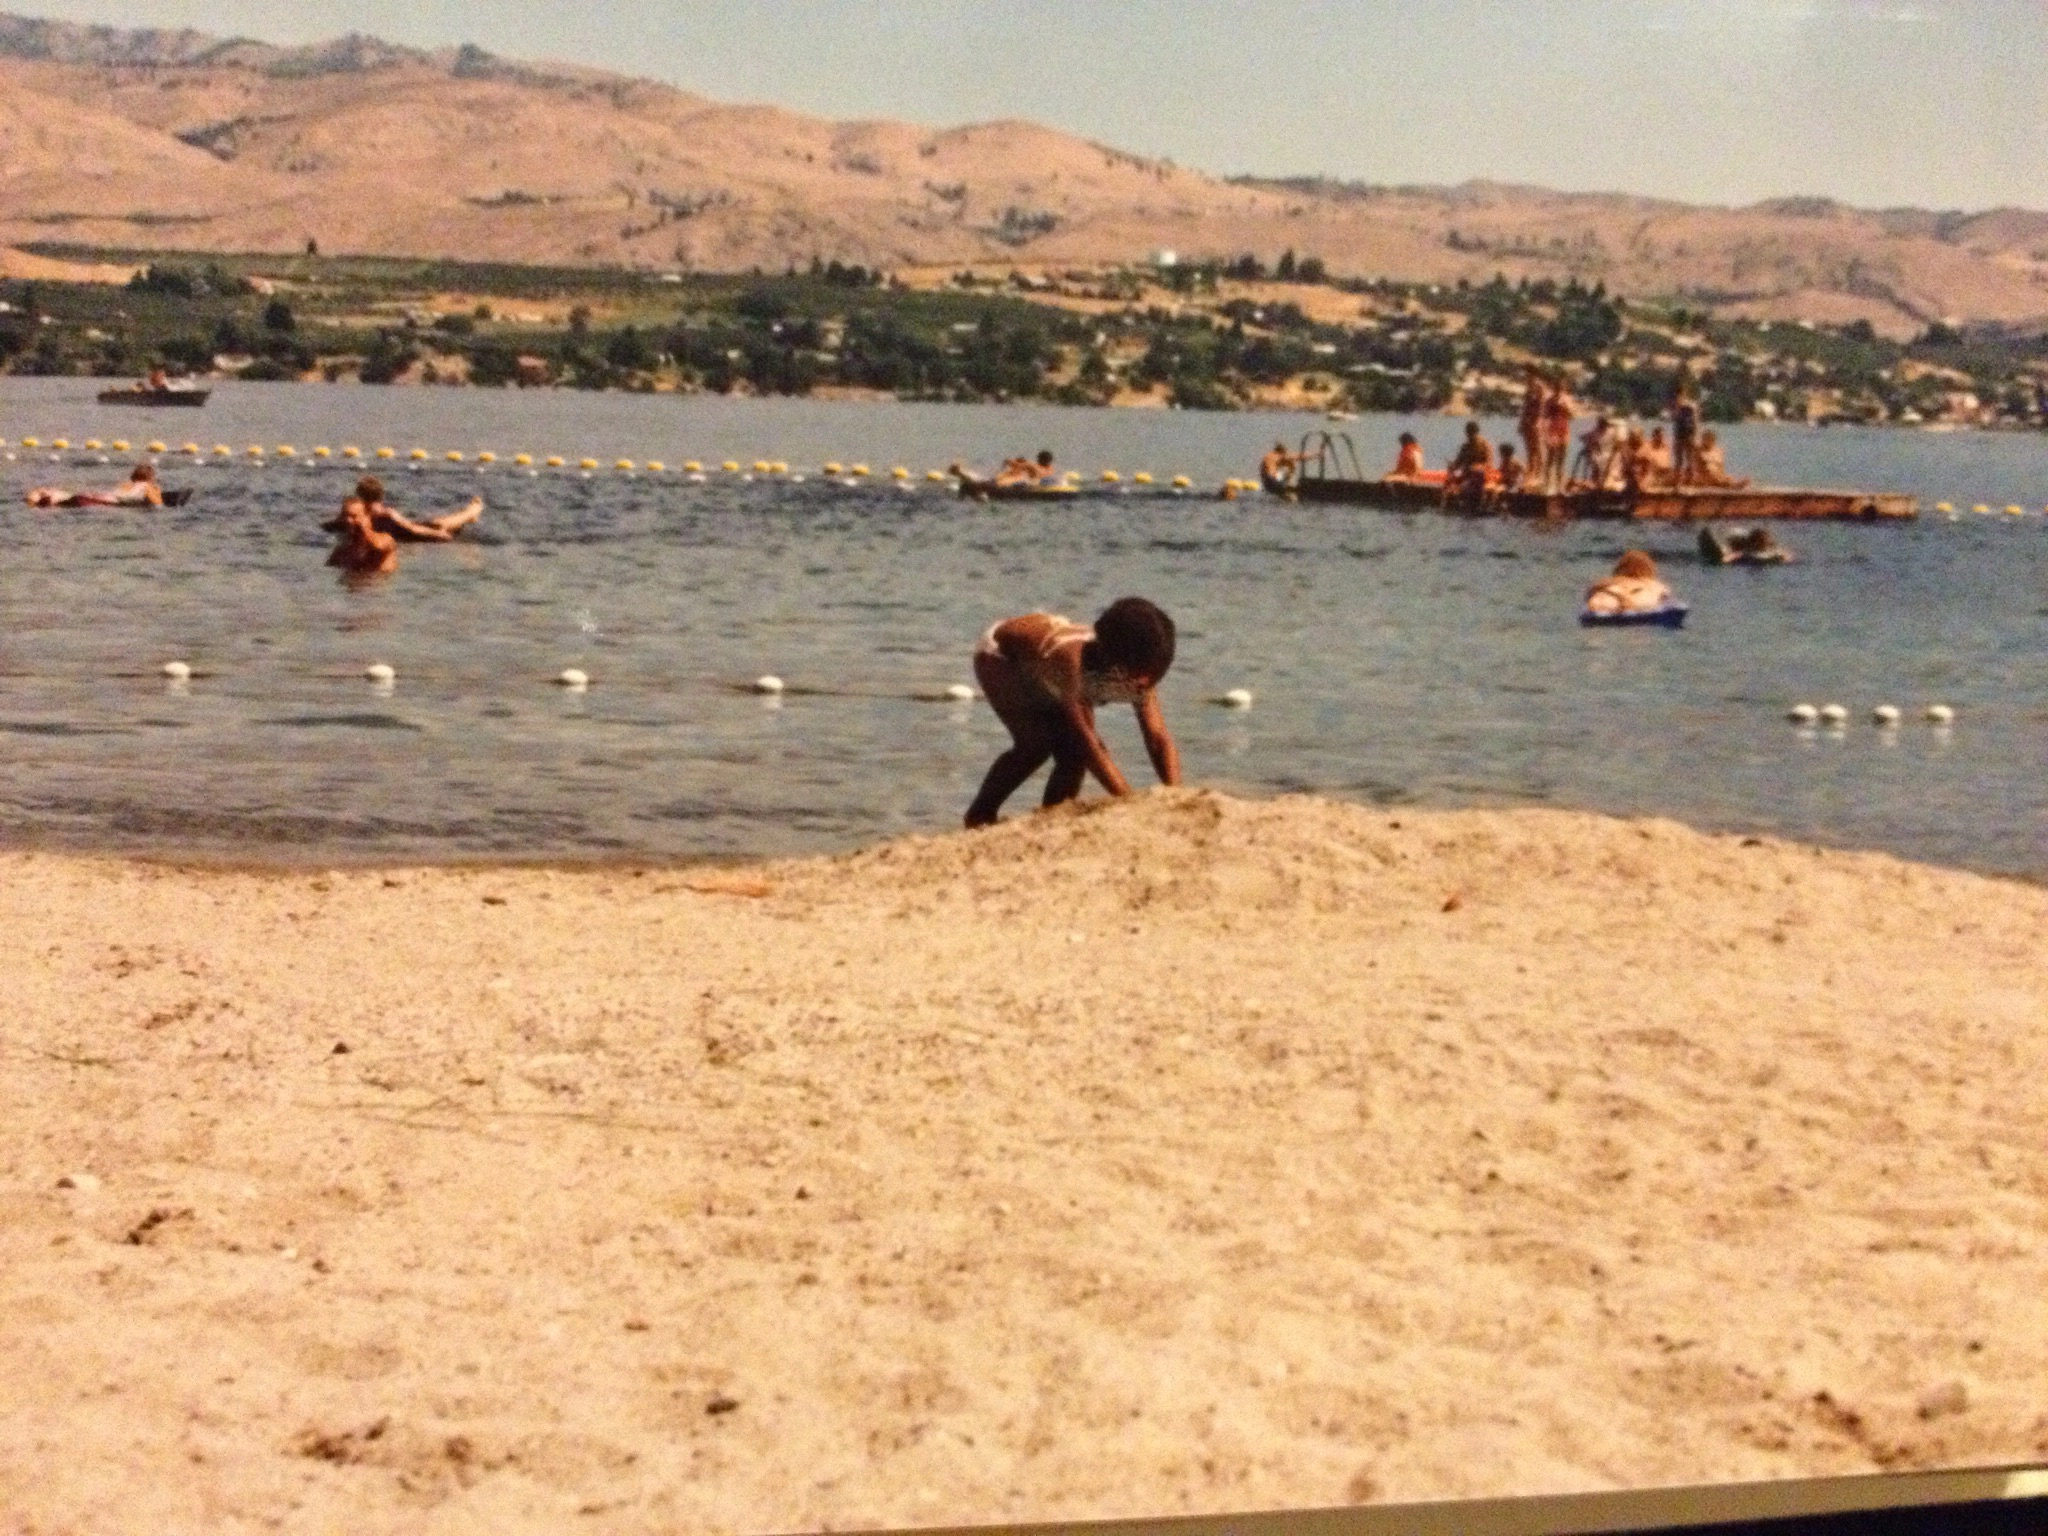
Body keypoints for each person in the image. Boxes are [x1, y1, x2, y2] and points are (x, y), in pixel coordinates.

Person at [964, 598, 1181, 828]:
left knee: (1072, 755)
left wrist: (1175, 798)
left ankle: (1052, 818)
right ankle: (980, 814)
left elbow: (1157, 739)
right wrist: (1129, 802)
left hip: (1047, 666)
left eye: (1153, 675)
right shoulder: (1071, 661)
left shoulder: (1141, 669)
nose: (1143, 683)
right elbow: (1089, 743)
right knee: (1035, 745)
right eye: (1138, 674)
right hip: (1003, 657)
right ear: (1111, 658)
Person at [324, 476, 482, 574]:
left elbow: (413, 529)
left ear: (360, 496)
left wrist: (440, 536)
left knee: (438, 525)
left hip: (407, 535)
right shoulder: (356, 512)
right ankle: (468, 515)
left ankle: (471, 512)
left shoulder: (387, 514)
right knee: (436, 523)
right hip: (403, 534)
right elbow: (338, 523)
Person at [24, 462, 164, 509]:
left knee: (57, 495)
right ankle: (47, 503)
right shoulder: (148, 486)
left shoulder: (125, 485)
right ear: (150, 478)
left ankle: (38, 499)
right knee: (65, 503)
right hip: (100, 502)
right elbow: (157, 504)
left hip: (94, 496)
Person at [1584, 550, 1674, 615]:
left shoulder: (1609, 581)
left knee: (1600, 605)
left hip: (1606, 595)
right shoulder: (1651, 583)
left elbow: (1591, 590)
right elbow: (1666, 595)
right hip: (1633, 598)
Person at [1442, 420, 1493, 508]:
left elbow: (1489, 463)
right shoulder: (1465, 446)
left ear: (1476, 432)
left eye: (1472, 433)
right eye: (1468, 433)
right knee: (1450, 488)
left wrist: (1477, 467)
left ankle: (1469, 502)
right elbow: (1458, 463)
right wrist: (1452, 466)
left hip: (1479, 476)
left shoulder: (1484, 445)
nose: (1469, 436)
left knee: (1463, 486)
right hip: (1466, 475)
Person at [1541, 376, 1575, 492]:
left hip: (1564, 428)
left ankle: (1559, 486)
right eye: (1557, 387)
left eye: (1561, 387)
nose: (1559, 389)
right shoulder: (1549, 400)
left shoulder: (1567, 399)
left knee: (1561, 459)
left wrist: (1565, 407)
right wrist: (1545, 433)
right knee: (1551, 458)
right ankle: (1546, 485)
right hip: (1552, 429)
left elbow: (1572, 416)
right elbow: (1545, 415)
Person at [1518, 367, 1548, 487]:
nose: (1526, 376)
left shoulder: (1539, 386)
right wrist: (1521, 422)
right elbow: (1525, 406)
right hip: (1527, 420)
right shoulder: (1528, 387)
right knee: (1529, 449)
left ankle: (1540, 474)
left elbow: (1541, 405)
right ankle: (1532, 472)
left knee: (1538, 448)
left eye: (1528, 374)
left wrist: (1537, 421)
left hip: (1536, 421)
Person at [1670, 370, 1700, 485]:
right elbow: (1675, 418)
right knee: (1679, 459)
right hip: (1679, 433)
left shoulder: (1691, 404)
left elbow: (1696, 420)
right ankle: (1677, 482)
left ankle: (1691, 481)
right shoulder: (1676, 404)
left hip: (1689, 433)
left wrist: (1696, 435)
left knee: (1690, 459)